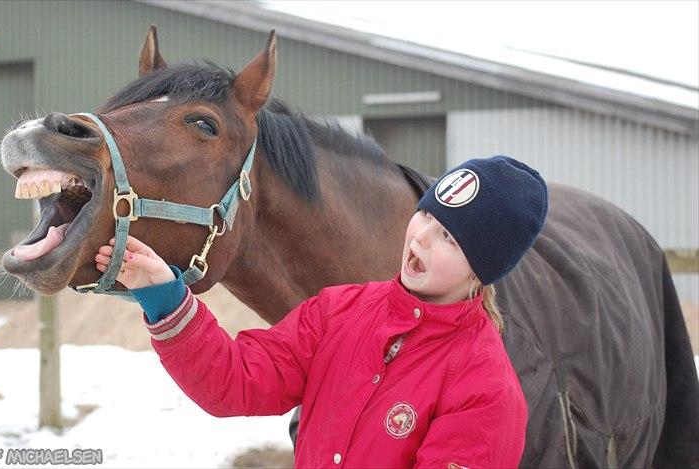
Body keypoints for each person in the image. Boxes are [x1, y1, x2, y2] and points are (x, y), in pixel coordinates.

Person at [95, 155, 548, 468]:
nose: (422, 237)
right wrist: (164, 296)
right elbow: (236, 381)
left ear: (482, 268)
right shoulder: (339, 312)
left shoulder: (485, 391)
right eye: (427, 215)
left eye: (450, 237)